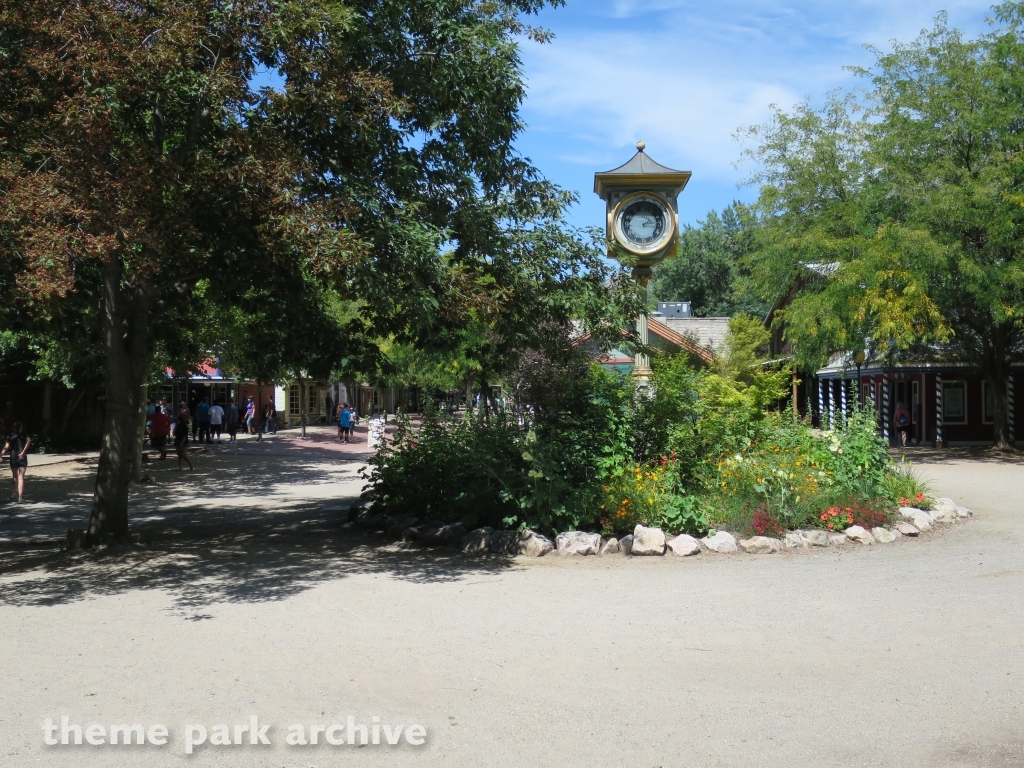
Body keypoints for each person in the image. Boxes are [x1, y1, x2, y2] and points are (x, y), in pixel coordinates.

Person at [2, 422, 30, 503]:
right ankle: (20, 498)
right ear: (21, 428)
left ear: (14, 428)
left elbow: (6, 447)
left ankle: (14, 494)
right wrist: (23, 452)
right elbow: (29, 441)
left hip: (13, 456)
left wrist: (1, 455)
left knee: (15, 477)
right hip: (22, 456)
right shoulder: (24, 435)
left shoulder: (10, 436)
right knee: (21, 477)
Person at [174, 406, 193, 471]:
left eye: (178, 420)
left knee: (183, 454)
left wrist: (182, 443)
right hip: (177, 440)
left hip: (184, 442)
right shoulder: (177, 427)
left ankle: (190, 464)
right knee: (179, 455)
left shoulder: (185, 427)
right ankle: (180, 467)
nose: (177, 422)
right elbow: (174, 434)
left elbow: (185, 436)